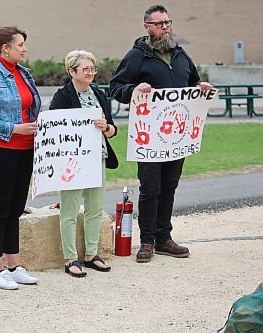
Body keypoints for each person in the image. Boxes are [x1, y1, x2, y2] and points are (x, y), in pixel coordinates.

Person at [109, 4, 213, 263]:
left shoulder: (180, 55)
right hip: (150, 136)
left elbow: (192, 85)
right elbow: (115, 87)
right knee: (150, 187)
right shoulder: (136, 56)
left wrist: (202, 88)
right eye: (160, 23)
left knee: (169, 185)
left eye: (168, 22)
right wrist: (134, 89)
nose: (166, 27)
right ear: (147, 27)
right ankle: (147, 241)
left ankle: (164, 237)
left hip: (177, 135)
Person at [0, 25, 42, 290]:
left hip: (25, 151)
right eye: (20, 44)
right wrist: (14, 129)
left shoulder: (23, 73)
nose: (24, 49)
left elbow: (30, 109)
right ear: (6, 48)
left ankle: (14, 266)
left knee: (15, 209)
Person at [50, 50, 118, 277]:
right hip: (73, 162)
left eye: (92, 69)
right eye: (85, 69)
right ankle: (70, 259)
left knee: (95, 208)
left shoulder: (98, 94)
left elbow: (112, 129)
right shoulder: (62, 96)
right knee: (69, 209)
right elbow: (56, 130)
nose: (90, 73)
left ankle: (91, 254)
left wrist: (105, 128)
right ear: (72, 71)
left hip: (97, 158)